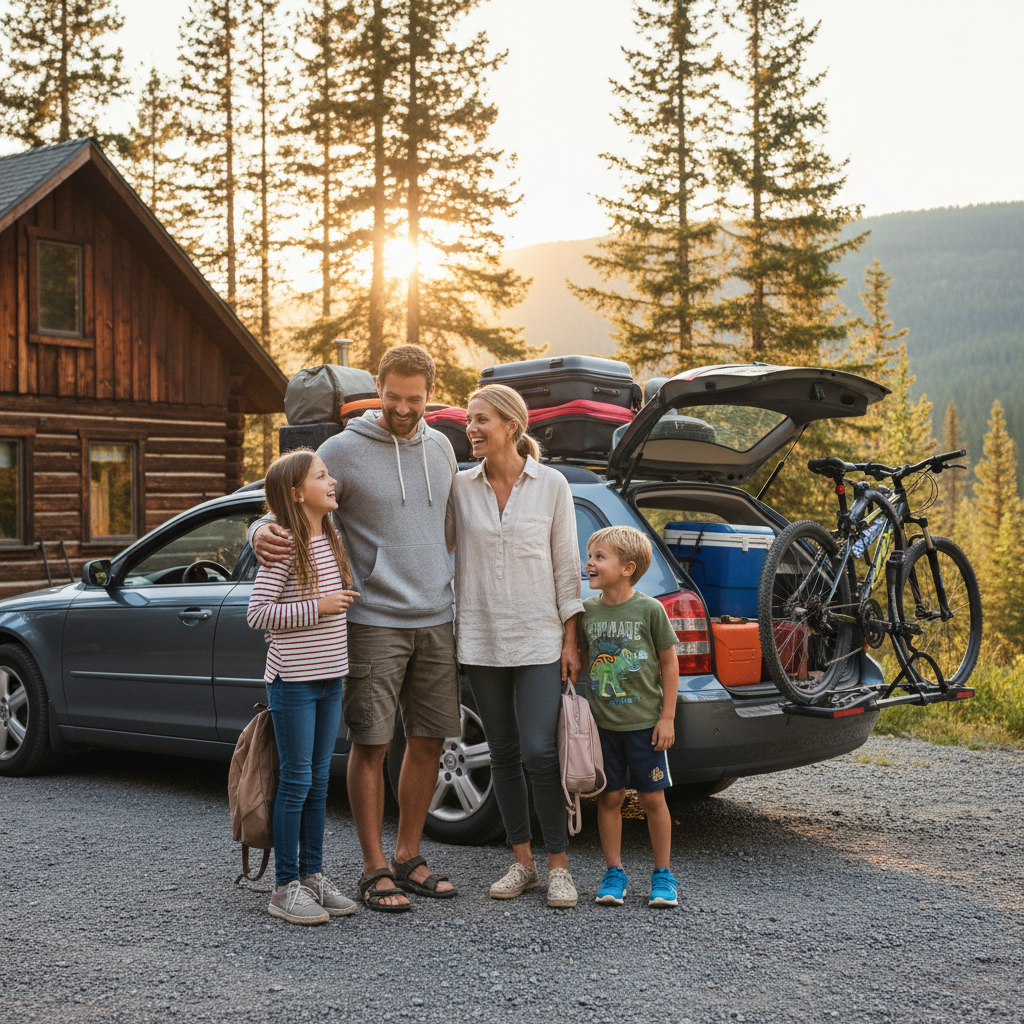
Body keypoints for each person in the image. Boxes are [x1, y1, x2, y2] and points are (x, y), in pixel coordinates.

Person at [250, 345, 459, 911]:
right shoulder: (341, 449)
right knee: (371, 743)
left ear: (428, 396)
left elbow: (448, 527)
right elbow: (289, 495)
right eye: (393, 396)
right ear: (379, 389)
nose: (402, 408)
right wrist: (256, 532)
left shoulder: (441, 448)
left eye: (414, 400)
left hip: (437, 615)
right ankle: (372, 868)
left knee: (429, 739)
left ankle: (408, 855)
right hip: (372, 619)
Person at [454, 383, 585, 908]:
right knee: (503, 753)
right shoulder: (460, 488)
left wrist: (570, 637)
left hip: (538, 638)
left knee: (539, 750)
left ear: (512, 425)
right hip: (480, 636)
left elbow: (565, 565)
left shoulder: (551, 485)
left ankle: (559, 866)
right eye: (469, 420)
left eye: (481, 420)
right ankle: (522, 863)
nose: (471, 429)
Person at [246, 448, 361, 925]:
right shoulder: (286, 544)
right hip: (292, 682)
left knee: (316, 782)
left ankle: (312, 875)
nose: (332, 481)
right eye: (322, 475)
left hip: (330, 678)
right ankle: (284, 887)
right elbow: (256, 613)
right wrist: (321, 606)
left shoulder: (328, 538)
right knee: (295, 782)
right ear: (297, 493)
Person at [577, 525, 680, 908]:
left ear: (627, 567)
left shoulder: (649, 610)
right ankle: (614, 872)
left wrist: (666, 718)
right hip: (603, 727)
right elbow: (581, 658)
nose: (589, 563)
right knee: (611, 797)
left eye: (599, 557)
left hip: (645, 726)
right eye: (590, 556)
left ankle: (663, 875)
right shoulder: (587, 610)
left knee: (653, 799)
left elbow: (669, 665)